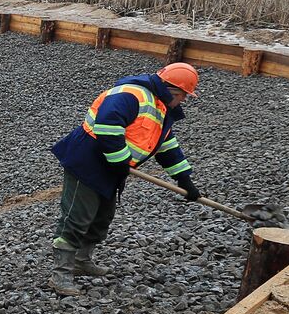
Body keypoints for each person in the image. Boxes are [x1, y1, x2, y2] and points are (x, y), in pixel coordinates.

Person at [49, 63, 202, 294]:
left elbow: (166, 145)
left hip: (112, 168)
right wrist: (120, 160)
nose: (184, 101)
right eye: (184, 96)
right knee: (77, 218)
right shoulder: (131, 95)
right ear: (173, 91)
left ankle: (82, 260)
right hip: (88, 163)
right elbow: (107, 126)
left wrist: (183, 178)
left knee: (102, 217)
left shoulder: (161, 108)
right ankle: (60, 275)